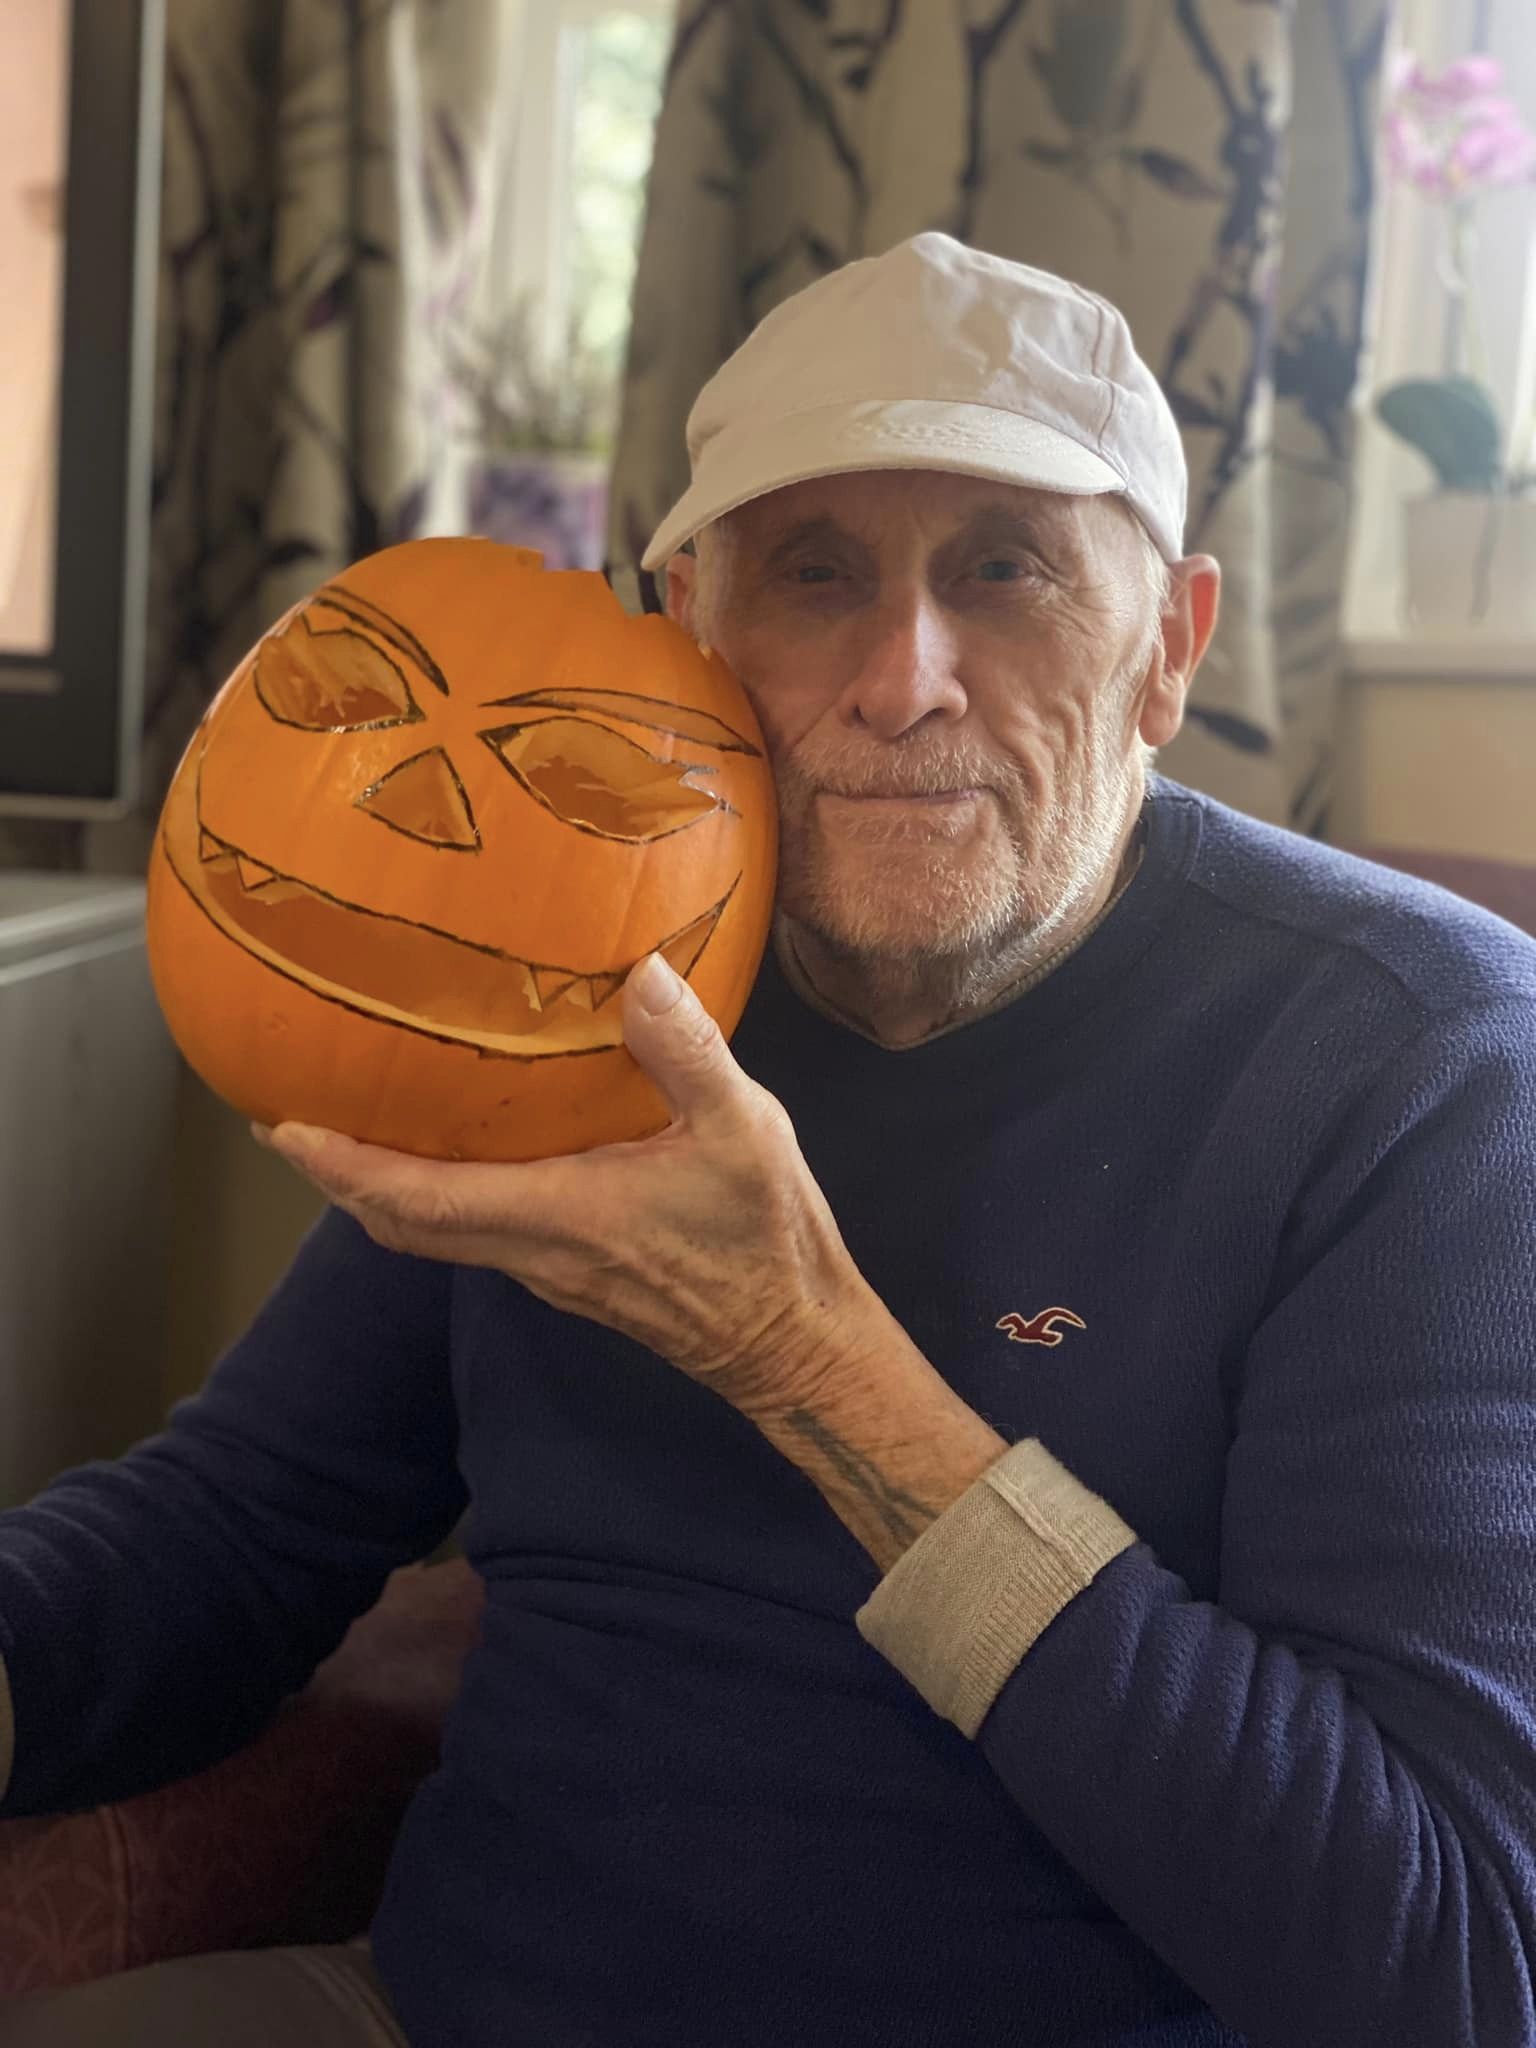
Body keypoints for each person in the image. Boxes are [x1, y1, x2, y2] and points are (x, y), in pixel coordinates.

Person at [3, 231, 1535, 2048]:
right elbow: (235, 1532)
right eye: (815, 572)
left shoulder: (1419, 1060)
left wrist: (805, 1360)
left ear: (1170, 648)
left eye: (1006, 569)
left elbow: (1441, 1956)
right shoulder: (552, 981)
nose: (903, 678)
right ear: (689, 630)